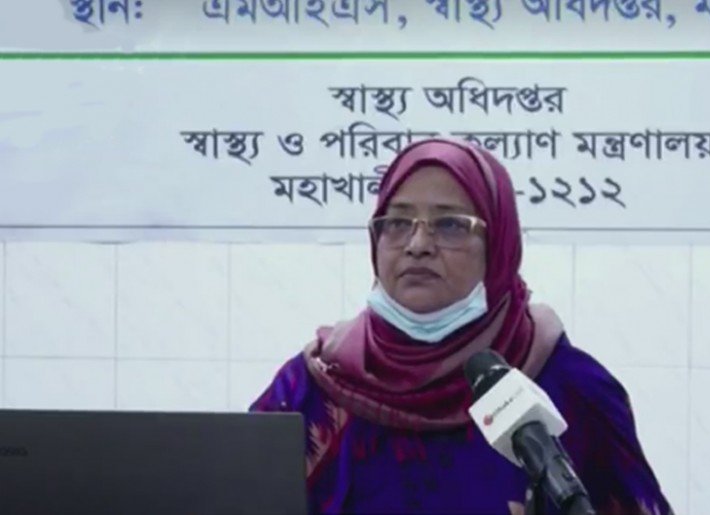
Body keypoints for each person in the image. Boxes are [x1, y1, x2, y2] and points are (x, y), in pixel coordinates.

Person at [251, 138, 672, 514]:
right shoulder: (313, 388)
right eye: (397, 223)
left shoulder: (573, 390)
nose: (418, 245)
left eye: (450, 225)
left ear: (499, 246)